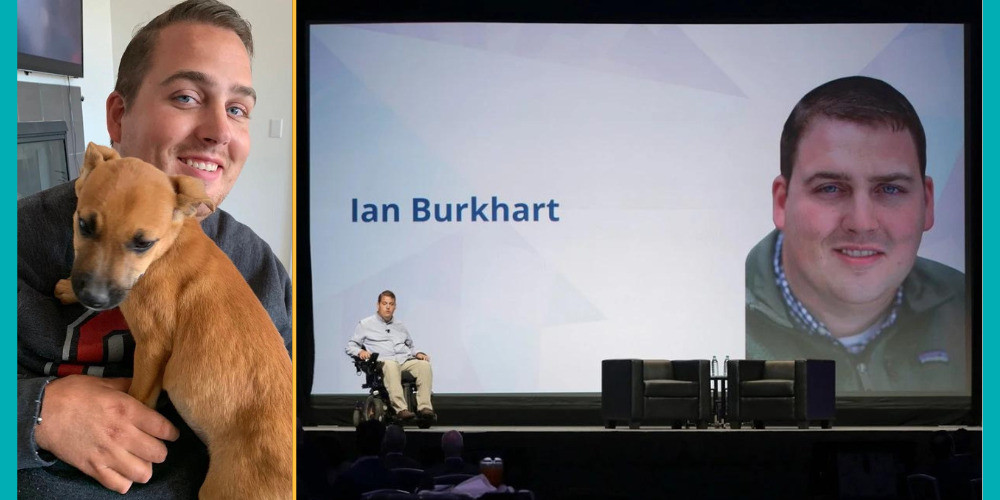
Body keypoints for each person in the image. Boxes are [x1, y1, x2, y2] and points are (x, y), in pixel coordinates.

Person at [17, 1, 293, 497]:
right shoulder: (18, 238)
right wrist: (34, 414)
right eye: (187, 97)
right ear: (118, 118)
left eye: (237, 110)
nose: (219, 131)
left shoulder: (259, 270)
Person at [745, 76, 966, 393]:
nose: (862, 223)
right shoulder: (714, 308)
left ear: (927, 203)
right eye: (830, 188)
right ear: (782, 202)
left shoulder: (975, 309)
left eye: (890, 189)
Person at [346, 290, 436, 420]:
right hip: (383, 362)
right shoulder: (365, 324)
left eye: (391, 304)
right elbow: (350, 346)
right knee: (391, 365)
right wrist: (360, 351)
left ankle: (424, 408)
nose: (388, 307)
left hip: (403, 360)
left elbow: (410, 347)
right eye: (384, 303)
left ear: (395, 307)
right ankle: (401, 409)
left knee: (424, 365)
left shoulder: (400, 325)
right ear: (378, 305)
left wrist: (418, 353)